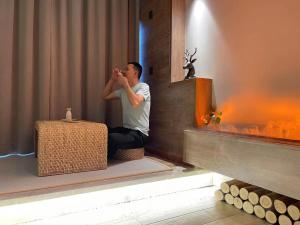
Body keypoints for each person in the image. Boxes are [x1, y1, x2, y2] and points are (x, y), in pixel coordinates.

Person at [102, 62, 150, 159]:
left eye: (127, 69)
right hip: (126, 130)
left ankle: (100, 160)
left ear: (135, 73)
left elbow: (135, 102)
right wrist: (113, 79)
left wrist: (125, 84)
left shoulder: (143, 87)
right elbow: (104, 96)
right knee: (102, 131)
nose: (123, 71)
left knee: (112, 138)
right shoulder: (123, 91)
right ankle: (92, 156)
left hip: (140, 134)